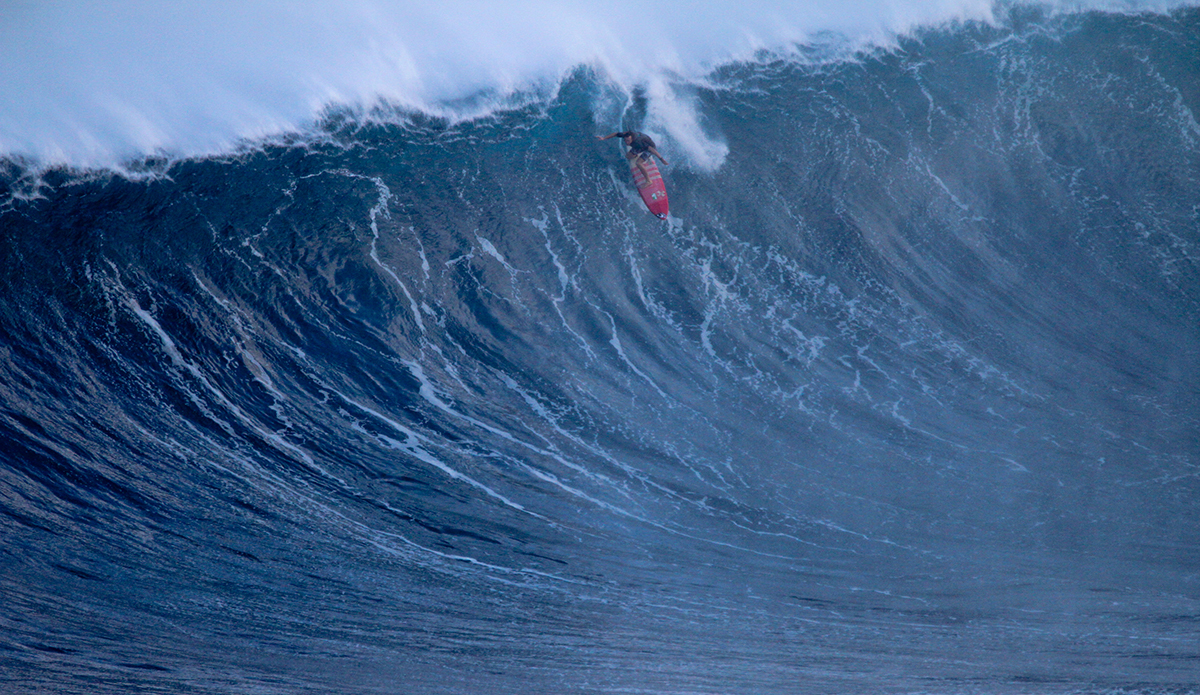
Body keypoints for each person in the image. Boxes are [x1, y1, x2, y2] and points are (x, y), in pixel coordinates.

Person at [596, 131, 668, 181]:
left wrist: (661, 159)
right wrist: (604, 138)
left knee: (638, 163)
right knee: (628, 156)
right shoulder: (626, 135)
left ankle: (648, 181)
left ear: (632, 139)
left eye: (628, 141)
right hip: (639, 147)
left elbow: (652, 149)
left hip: (648, 148)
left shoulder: (638, 142)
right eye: (625, 140)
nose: (626, 142)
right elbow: (615, 134)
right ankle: (638, 155)